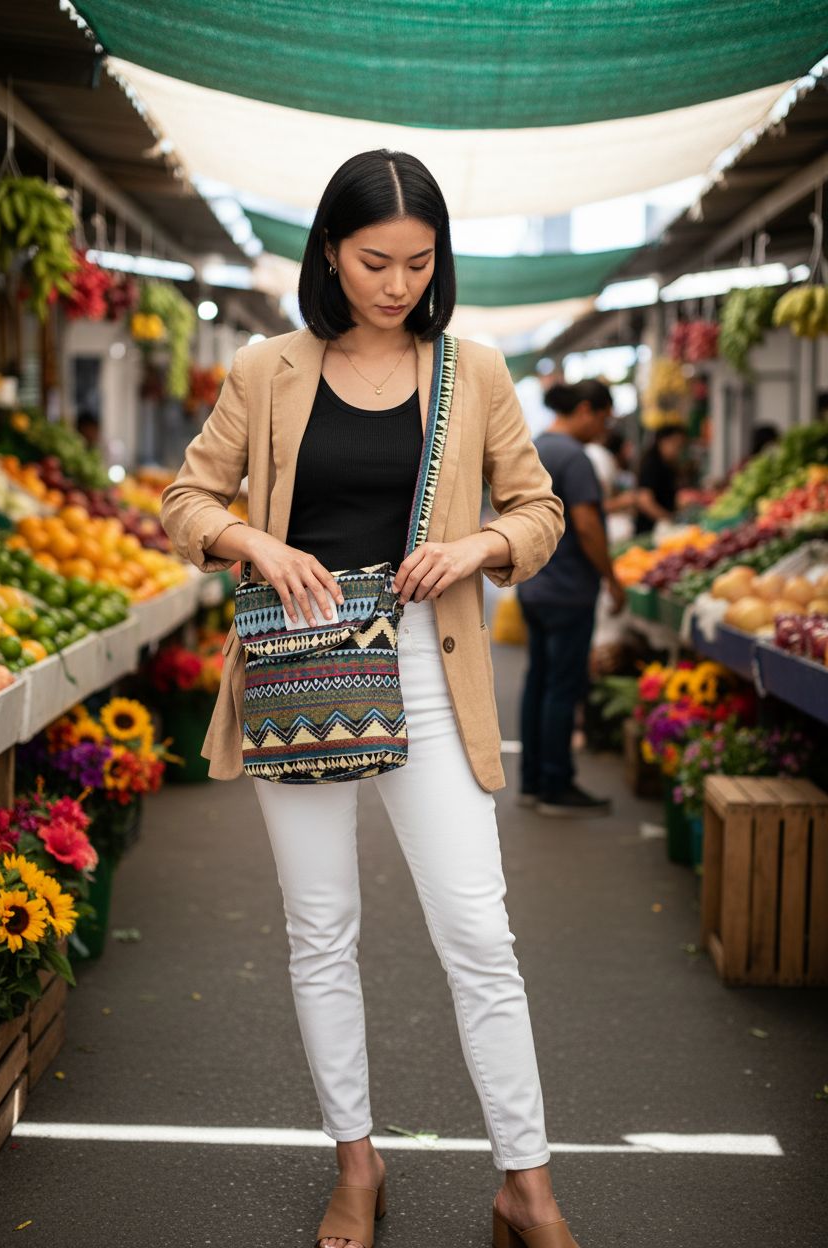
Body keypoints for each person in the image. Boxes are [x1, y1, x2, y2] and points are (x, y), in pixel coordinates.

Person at [160, 150, 583, 1248]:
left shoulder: (472, 371)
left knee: (478, 935)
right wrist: (250, 537)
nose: (396, 284)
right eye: (373, 261)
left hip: (431, 674)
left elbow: (539, 512)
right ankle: (357, 1164)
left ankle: (526, 1185)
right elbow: (185, 497)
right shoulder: (269, 369)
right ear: (330, 255)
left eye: (418, 263)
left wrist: (480, 542)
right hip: (298, 668)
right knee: (320, 929)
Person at [517, 379, 625, 816]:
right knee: (563, 688)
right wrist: (612, 579)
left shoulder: (536, 447)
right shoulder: (575, 458)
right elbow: (586, 524)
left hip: (535, 586)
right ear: (585, 409)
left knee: (538, 682)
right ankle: (556, 784)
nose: (603, 429)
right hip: (568, 592)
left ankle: (532, 781)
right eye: (602, 419)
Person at [634, 422, 688, 534]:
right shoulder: (652, 465)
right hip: (650, 531)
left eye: (680, 447)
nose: (678, 451)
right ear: (662, 441)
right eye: (675, 445)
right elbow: (644, 501)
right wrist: (668, 519)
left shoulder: (667, 465)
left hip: (660, 529)